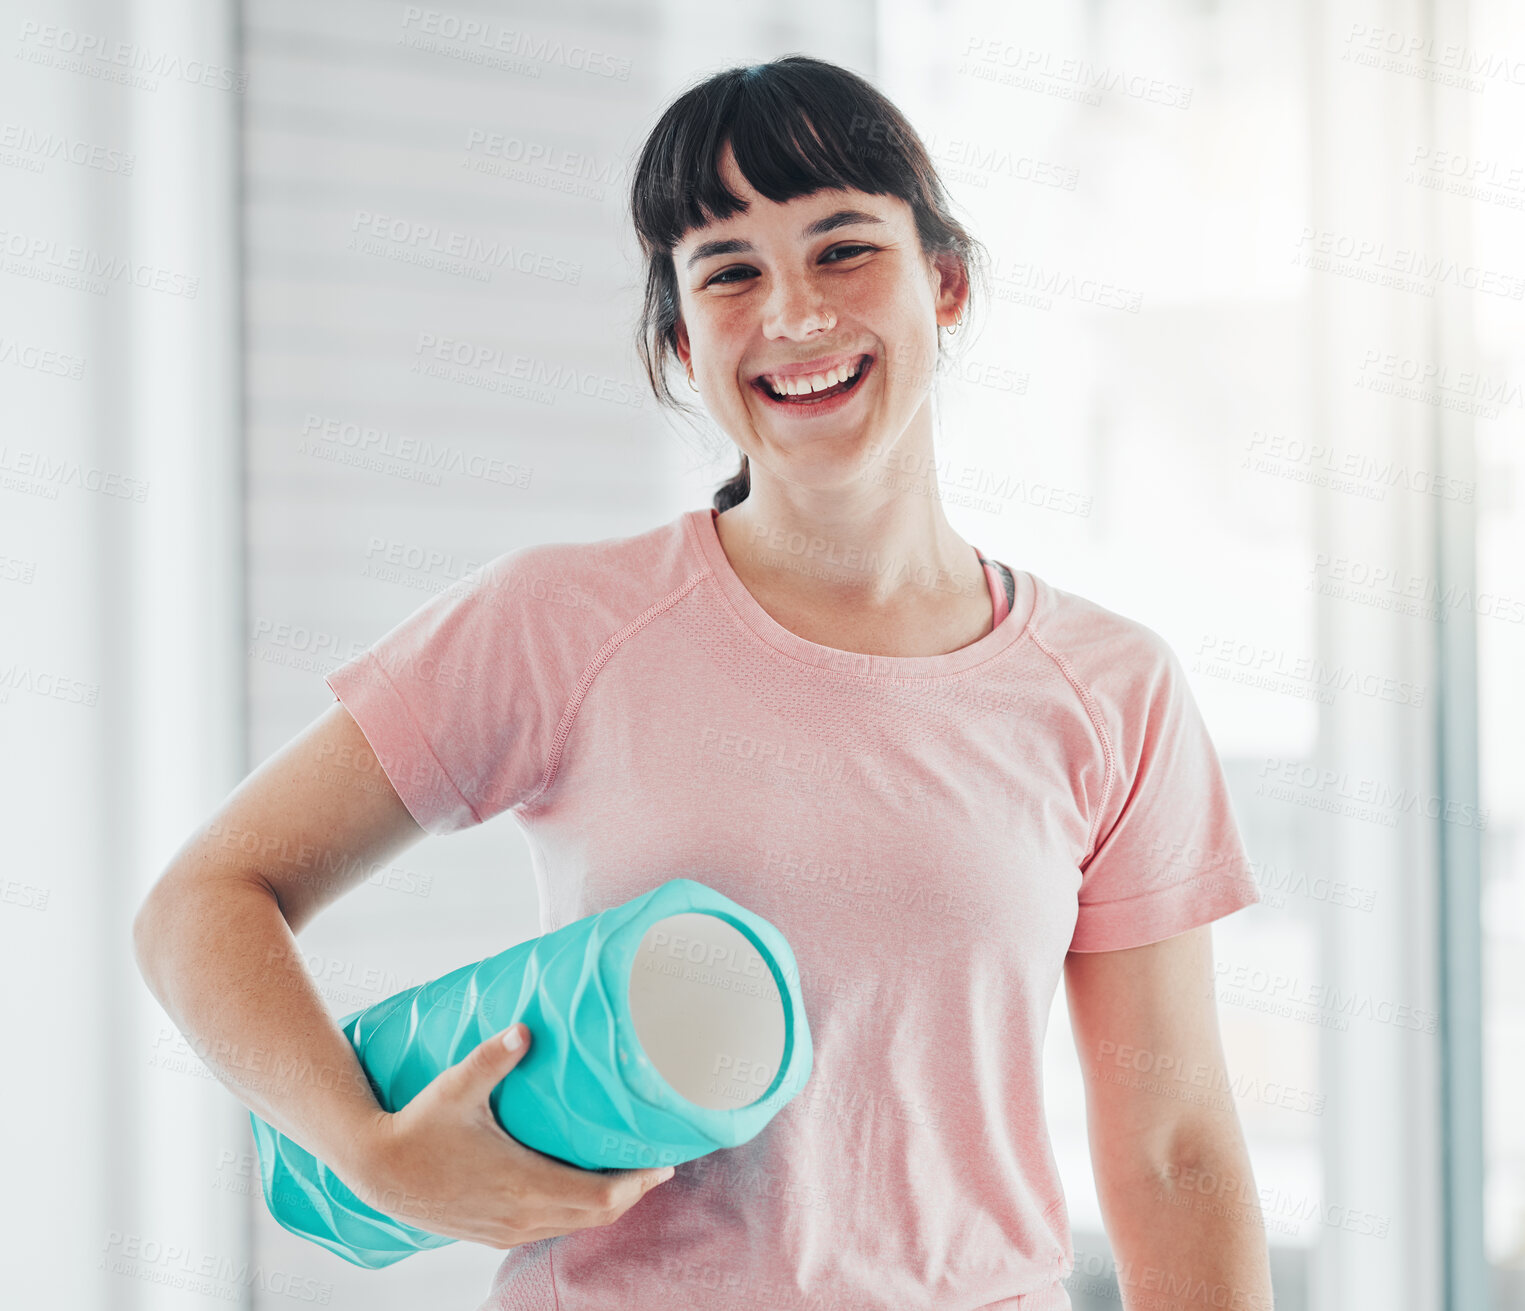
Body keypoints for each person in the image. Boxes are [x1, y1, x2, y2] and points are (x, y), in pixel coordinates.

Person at [133, 55, 1273, 1311]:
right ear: (681, 336)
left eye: (844, 249)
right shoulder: (561, 620)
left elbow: (1174, 1158)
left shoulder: (1110, 689)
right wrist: (371, 1151)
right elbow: (202, 902)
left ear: (942, 283)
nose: (792, 313)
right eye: (729, 272)